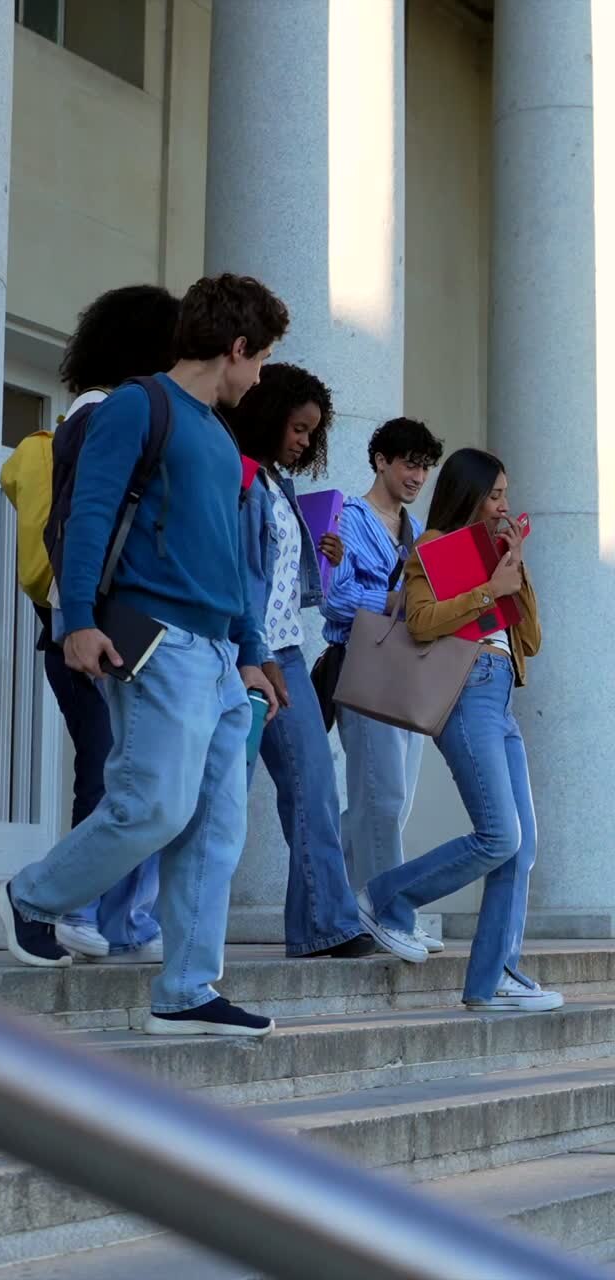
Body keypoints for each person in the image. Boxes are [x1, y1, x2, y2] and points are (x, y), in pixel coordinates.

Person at [0, 273, 287, 1039]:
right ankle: (31, 896)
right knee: (152, 805)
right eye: (260, 362)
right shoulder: (138, 405)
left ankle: (187, 990)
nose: (259, 380)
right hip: (156, 641)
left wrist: (251, 651)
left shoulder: (220, 437)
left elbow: (227, 555)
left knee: (215, 829)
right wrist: (78, 619)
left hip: (219, 654)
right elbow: (87, 513)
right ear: (236, 346)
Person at [357, 447, 563, 1011]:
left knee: (521, 849)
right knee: (499, 835)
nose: (504, 505)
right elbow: (422, 623)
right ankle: (386, 895)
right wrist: (487, 591)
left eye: (505, 494)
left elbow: (531, 641)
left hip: (501, 700)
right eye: (495, 494)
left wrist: (515, 574)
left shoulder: (494, 553)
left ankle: (491, 979)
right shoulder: (434, 547)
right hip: (465, 690)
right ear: (469, 492)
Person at [37, 284, 180, 963]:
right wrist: (78, 620)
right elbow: (75, 522)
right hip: (100, 621)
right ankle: (74, 906)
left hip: (122, 620)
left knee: (137, 773)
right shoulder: (104, 411)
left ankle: (125, 917)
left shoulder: (128, 411)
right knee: (111, 771)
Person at [227, 363, 377, 959]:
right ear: (266, 415)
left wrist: (323, 554)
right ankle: (117, 917)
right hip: (243, 651)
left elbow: (286, 577)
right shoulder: (238, 477)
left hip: (285, 651)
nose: (304, 441)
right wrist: (250, 651)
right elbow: (241, 575)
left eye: (313, 433)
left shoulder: (278, 486)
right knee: (205, 800)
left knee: (315, 787)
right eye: (298, 427)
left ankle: (324, 924)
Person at [322, 418, 444, 954]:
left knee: (394, 797)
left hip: (406, 669)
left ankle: (350, 907)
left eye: (424, 465)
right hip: (365, 664)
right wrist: (395, 603)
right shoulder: (349, 518)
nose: (417, 475)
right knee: (382, 797)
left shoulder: (415, 532)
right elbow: (334, 598)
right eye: (409, 463)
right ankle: (387, 911)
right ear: (381, 461)